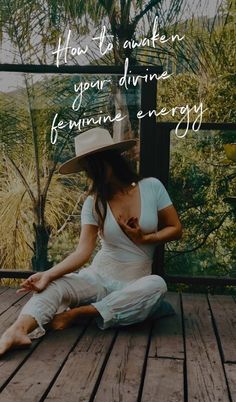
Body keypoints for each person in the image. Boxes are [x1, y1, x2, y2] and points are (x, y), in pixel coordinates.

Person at [0, 127, 182, 356]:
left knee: (157, 285)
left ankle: (79, 313)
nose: (91, 175)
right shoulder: (94, 203)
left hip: (134, 284)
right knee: (54, 286)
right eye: (87, 170)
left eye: (93, 167)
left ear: (111, 160)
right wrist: (48, 274)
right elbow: (82, 252)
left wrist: (146, 238)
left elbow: (176, 229)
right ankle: (17, 330)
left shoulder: (152, 187)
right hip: (98, 277)